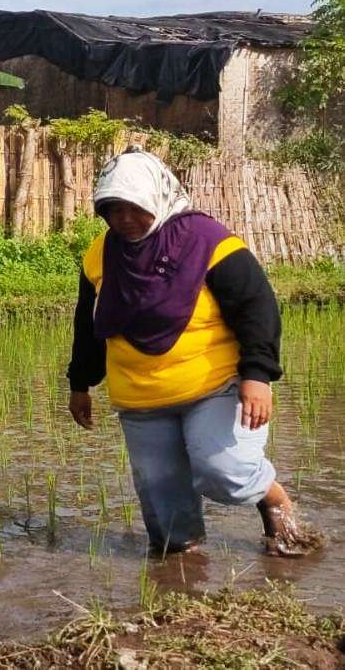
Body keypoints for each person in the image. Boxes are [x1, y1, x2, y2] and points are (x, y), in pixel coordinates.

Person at [66, 149, 317, 557]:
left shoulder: (209, 242)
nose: (124, 219)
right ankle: (182, 581)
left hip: (213, 387)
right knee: (167, 525)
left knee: (226, 473)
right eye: (112, 209)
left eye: (135, 207)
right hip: (140, 398)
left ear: (158, 197)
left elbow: (257, 307)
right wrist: (80, 384)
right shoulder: (99, 255)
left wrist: (257, 374)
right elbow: (88, 324)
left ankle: (272, 497)